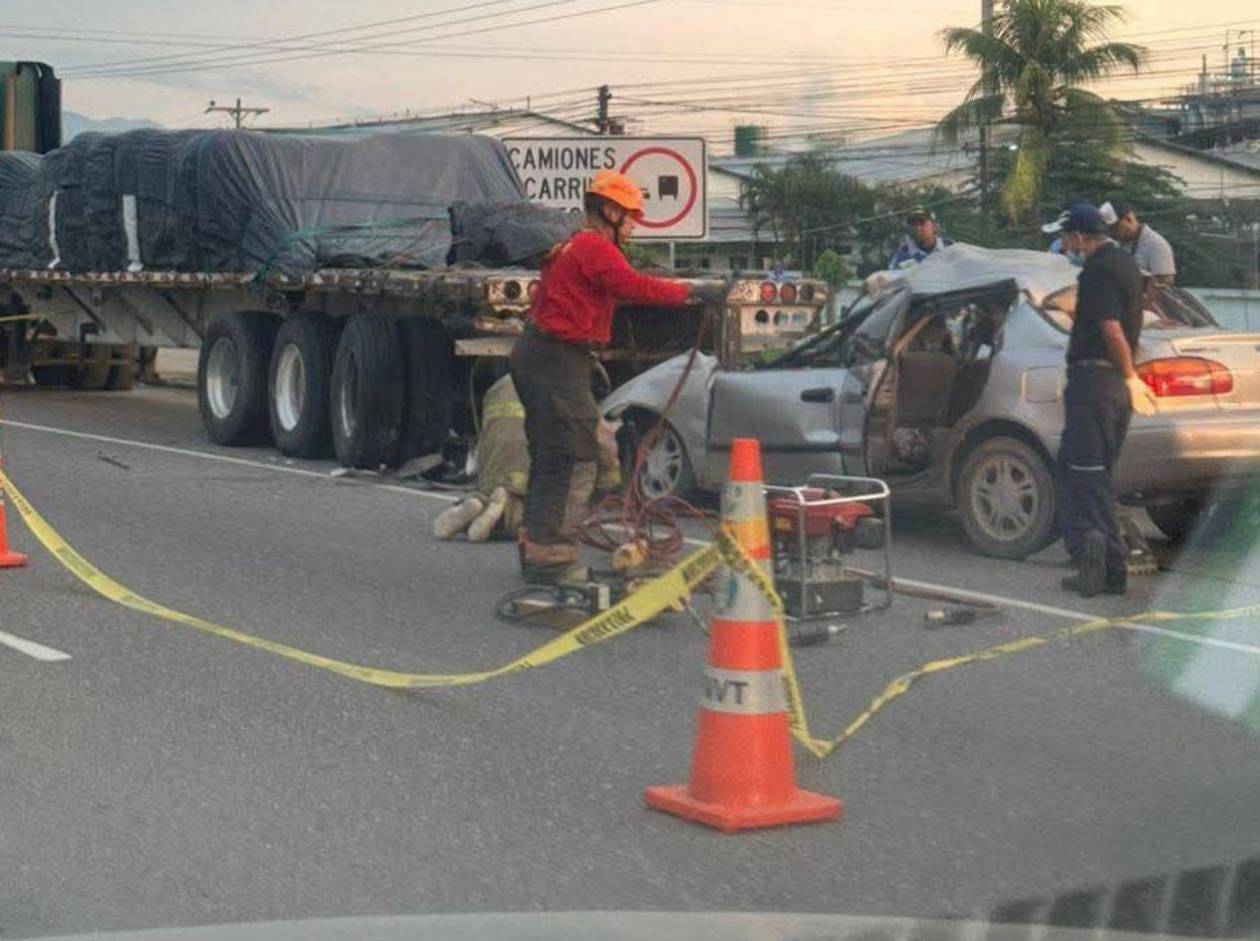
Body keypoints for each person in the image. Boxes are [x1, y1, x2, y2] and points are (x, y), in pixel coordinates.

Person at [507, 170, 714, 584]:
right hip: (554, 359)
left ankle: (540, 547)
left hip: (547, 356)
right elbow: (630, 285)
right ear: (610, 211)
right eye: (631, 216)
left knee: (554, 455)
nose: (635, 225)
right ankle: (550, 558)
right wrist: (691, 293)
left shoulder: (574, 247)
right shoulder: (594, 247)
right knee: (573, 454)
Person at [1052, 203, 1158, 598]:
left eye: (1066, 238)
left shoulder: (1098, 270)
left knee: (1089, 475)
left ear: (1081, 236)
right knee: (1076, 471)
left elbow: (1111, 327)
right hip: (1109, 385)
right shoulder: (1126, 265)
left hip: (1096, 382)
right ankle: (1087, 556)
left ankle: (1111, 571)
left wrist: (1130, 375)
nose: (1065, 245)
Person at [1102, 200, 1176, 288]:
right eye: (1108, 230)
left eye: (1114, 228)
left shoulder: (1156, 244)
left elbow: (1165, 285)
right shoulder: (1116, 243)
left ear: (1128, 219)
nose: (1111, 233)